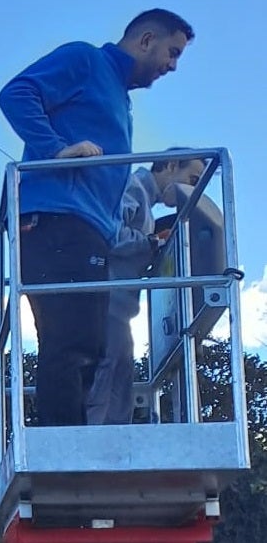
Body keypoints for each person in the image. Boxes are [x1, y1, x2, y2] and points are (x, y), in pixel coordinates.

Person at [0, 9, 194, 426]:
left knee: (87, 342)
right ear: (145, 40)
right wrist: (54, 149)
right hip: (57, 221)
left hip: (88, 230)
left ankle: (72, 445)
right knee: (73, 341)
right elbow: (16, 93)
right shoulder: (86, 60)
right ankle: (63, 456)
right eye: (171, 53)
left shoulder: (119, 99)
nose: (172, 66)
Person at [85, 154, 209, 425]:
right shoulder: (133, 188)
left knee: (120, 381)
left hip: (121, 305)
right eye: (192, 180)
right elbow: (110, 234)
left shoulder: (146, 205)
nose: (191, 190)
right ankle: (90, 446)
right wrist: (152, 243)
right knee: (107, 377)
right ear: (172, 165)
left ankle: (115, 447)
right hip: (109, 300)